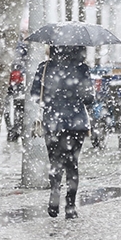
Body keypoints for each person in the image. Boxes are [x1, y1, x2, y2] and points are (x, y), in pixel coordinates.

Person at [31, 45, 95, 219]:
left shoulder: (44, 68)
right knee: (72, 163)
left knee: (55, 161)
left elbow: (35, 95)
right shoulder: (82, 69)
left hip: (53, 122)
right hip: (77, 123)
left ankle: (54, 194)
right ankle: (71, 206)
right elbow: (89, 98)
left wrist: (52, 97)